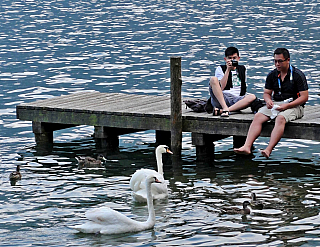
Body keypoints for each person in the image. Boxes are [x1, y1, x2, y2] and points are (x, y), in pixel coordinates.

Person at [234, 48, 308, 158]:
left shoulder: (298, 75)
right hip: (276, 103)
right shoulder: (272, 75)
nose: (277, 64)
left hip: (294, 105)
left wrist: (287, 106)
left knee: (281, 118)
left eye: (280, 61)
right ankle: (247, 146)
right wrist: (268, 101)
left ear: (288, 60)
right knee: (258, 116)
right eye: (275, 61)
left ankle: (268, 149)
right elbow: (267, 93)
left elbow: (304, 97)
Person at [209, 46, 256, 117]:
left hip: (236, 99)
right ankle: (225, 108)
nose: (232, 60)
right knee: (213, 79)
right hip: (222, 98)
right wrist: (228, 70)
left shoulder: (242, 69)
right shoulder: (220, 68)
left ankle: (225, 110)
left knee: (252, 97)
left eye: (234, 58)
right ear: (225, 59)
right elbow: (221, 88)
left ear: (238, 58)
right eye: (230, 58)